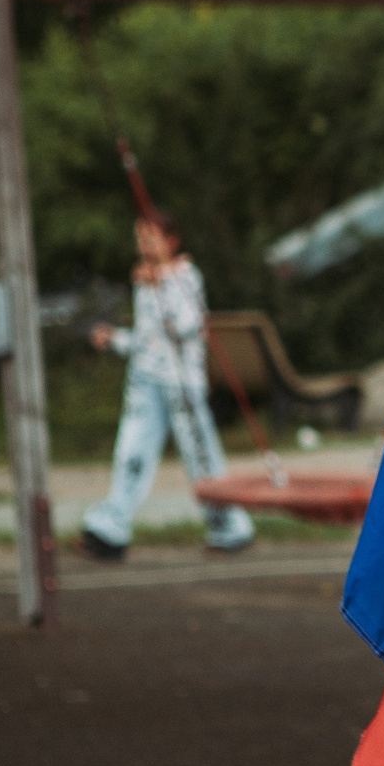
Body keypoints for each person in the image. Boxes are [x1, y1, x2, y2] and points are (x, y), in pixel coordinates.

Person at [77, 215, 255, 560]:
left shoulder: (186, 276)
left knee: (200, 456)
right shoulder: (144, 282)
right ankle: (110, 530)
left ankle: (229, 526)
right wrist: (114, 340)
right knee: (132, 453)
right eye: (139, 238)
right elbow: (148, 339)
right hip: (145, 381)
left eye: (151, 238)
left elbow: (184, 326)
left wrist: (162, 283)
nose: (144, 246)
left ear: (171, 241)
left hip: (182, 383)